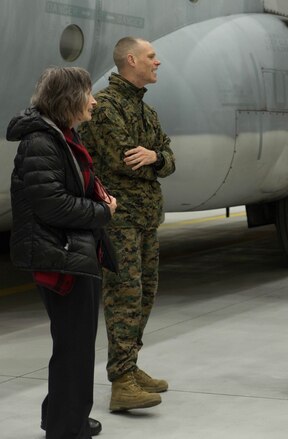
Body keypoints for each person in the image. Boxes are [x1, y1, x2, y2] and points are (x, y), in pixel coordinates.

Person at [8, 66, 116, 438]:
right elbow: (52, 205)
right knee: (74, 346)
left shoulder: (60, 136)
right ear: (69, 98)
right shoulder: (42, 142)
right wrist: (103, 211)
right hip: (60, 256)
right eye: (88, 93)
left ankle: (61, 415)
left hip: (69, 252)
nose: (94, 100)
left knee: (75, 344)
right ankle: (66, 427)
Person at [79, 36, 175, 411]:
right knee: (124, 297)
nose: (158, 62)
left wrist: (154, 156)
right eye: (152, 57)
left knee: (145, 294)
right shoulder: (106, 108)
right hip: (121, 221)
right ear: (131, 60)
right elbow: (123, 159)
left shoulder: (145, 111)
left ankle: (130, 366)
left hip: (146, 218)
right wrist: (156, 158)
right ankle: (121, 381)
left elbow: (168, 157)